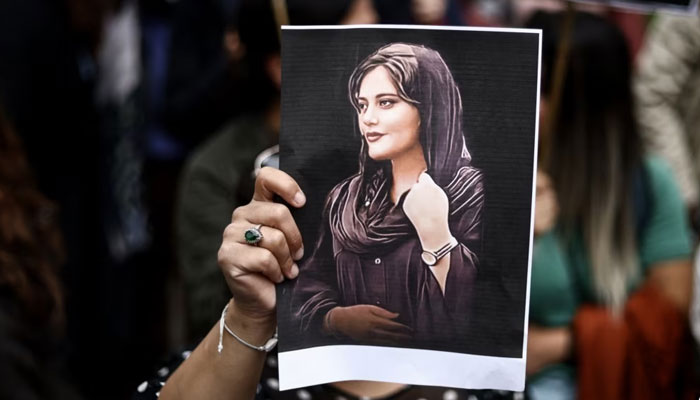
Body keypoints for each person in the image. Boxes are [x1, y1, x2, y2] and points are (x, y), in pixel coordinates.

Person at [525, 11, 693, 399]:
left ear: (580, 104)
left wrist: (564, 343)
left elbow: (667, 319)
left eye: (539, 88)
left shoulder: (650, 183)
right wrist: (515, 234)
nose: (522, 102)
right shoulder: (488, 175)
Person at [289, 43, 484, 349]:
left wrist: (439, 239)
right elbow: (308, 291)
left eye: (386, 103)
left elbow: (489, 311)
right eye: (362, 105)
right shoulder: (345, 198)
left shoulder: (472, 194)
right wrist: (336, 320)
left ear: (429, 108)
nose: (367, 118)